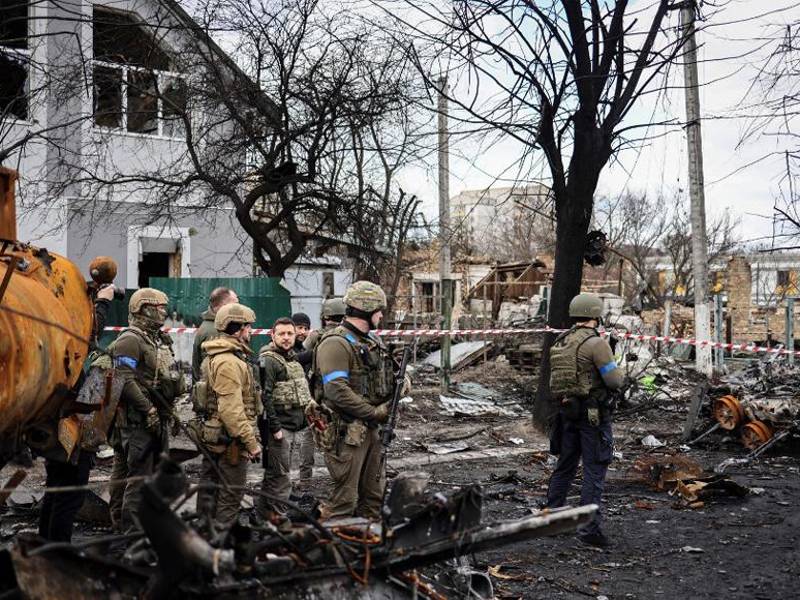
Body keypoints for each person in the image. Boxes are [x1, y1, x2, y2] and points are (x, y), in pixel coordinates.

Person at [38, 284, 117, 542]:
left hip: (53, 429)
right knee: (69, 496)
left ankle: (45, 548)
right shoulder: (66, 344)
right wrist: (102, 302)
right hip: (70, 431)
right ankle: (58, 553)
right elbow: (88, 333)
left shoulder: (45, 340)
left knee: (56, 490)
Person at [544, 293, 624, 548]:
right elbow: (614, 381)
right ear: (595, 315)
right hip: (593, 416)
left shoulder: (561, 340)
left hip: (567, 413)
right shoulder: (596, 343)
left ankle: (552, 521)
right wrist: (615, 361)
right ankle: (588, 529)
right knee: (594, 470)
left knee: (565, 466)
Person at [311, 281, 394, 521]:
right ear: (366, 310)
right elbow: (336, 390)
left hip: (371, 429)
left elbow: (388, 374)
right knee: (344, 499)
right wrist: (374, 412)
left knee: (374, 496)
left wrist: (403, 382)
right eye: (379, 310)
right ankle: (332, 549)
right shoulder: (335, 343)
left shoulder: (372, 341)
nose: (381, 315)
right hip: (347, 432)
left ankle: (366, 548)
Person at [109, 288, 184, 531]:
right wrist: (149, 409)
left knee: (142, 475)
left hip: (156, 417)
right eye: (160, 307)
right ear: (145, 308)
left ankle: (126, 527)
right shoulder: (130, 339)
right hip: (136, 421)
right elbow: (124, 379)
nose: (164, 311)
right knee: (139, 478)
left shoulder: (157, 339)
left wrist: (169, 412)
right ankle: (131, 534)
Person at [195, 303, 262, 530]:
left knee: (211, 492)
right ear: (237, 329)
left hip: (220, 437)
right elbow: (231, 411)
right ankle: (221, 547)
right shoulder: (229, 362)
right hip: (230, 442)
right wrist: (251, 442)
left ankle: (205, 541)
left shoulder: (223, 357)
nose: (251, 331)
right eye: (248, 327)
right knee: (230, 497)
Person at [257, 317, 313, 520]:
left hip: (294, 425)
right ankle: (278, 522)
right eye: (281, 333)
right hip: (280, 428)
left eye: (290, 333)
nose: (287, 337)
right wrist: (275, 427)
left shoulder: (291, 358)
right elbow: (265, 397)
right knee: (281, 479)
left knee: (273, 475)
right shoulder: (269, 360)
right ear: (273, 335)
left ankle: (264, 518)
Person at [192, 287, 238, 381]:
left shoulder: (218, 326)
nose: (238, 309)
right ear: (224, 306)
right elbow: (214, 373)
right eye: (235, 305)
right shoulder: (213, 332)